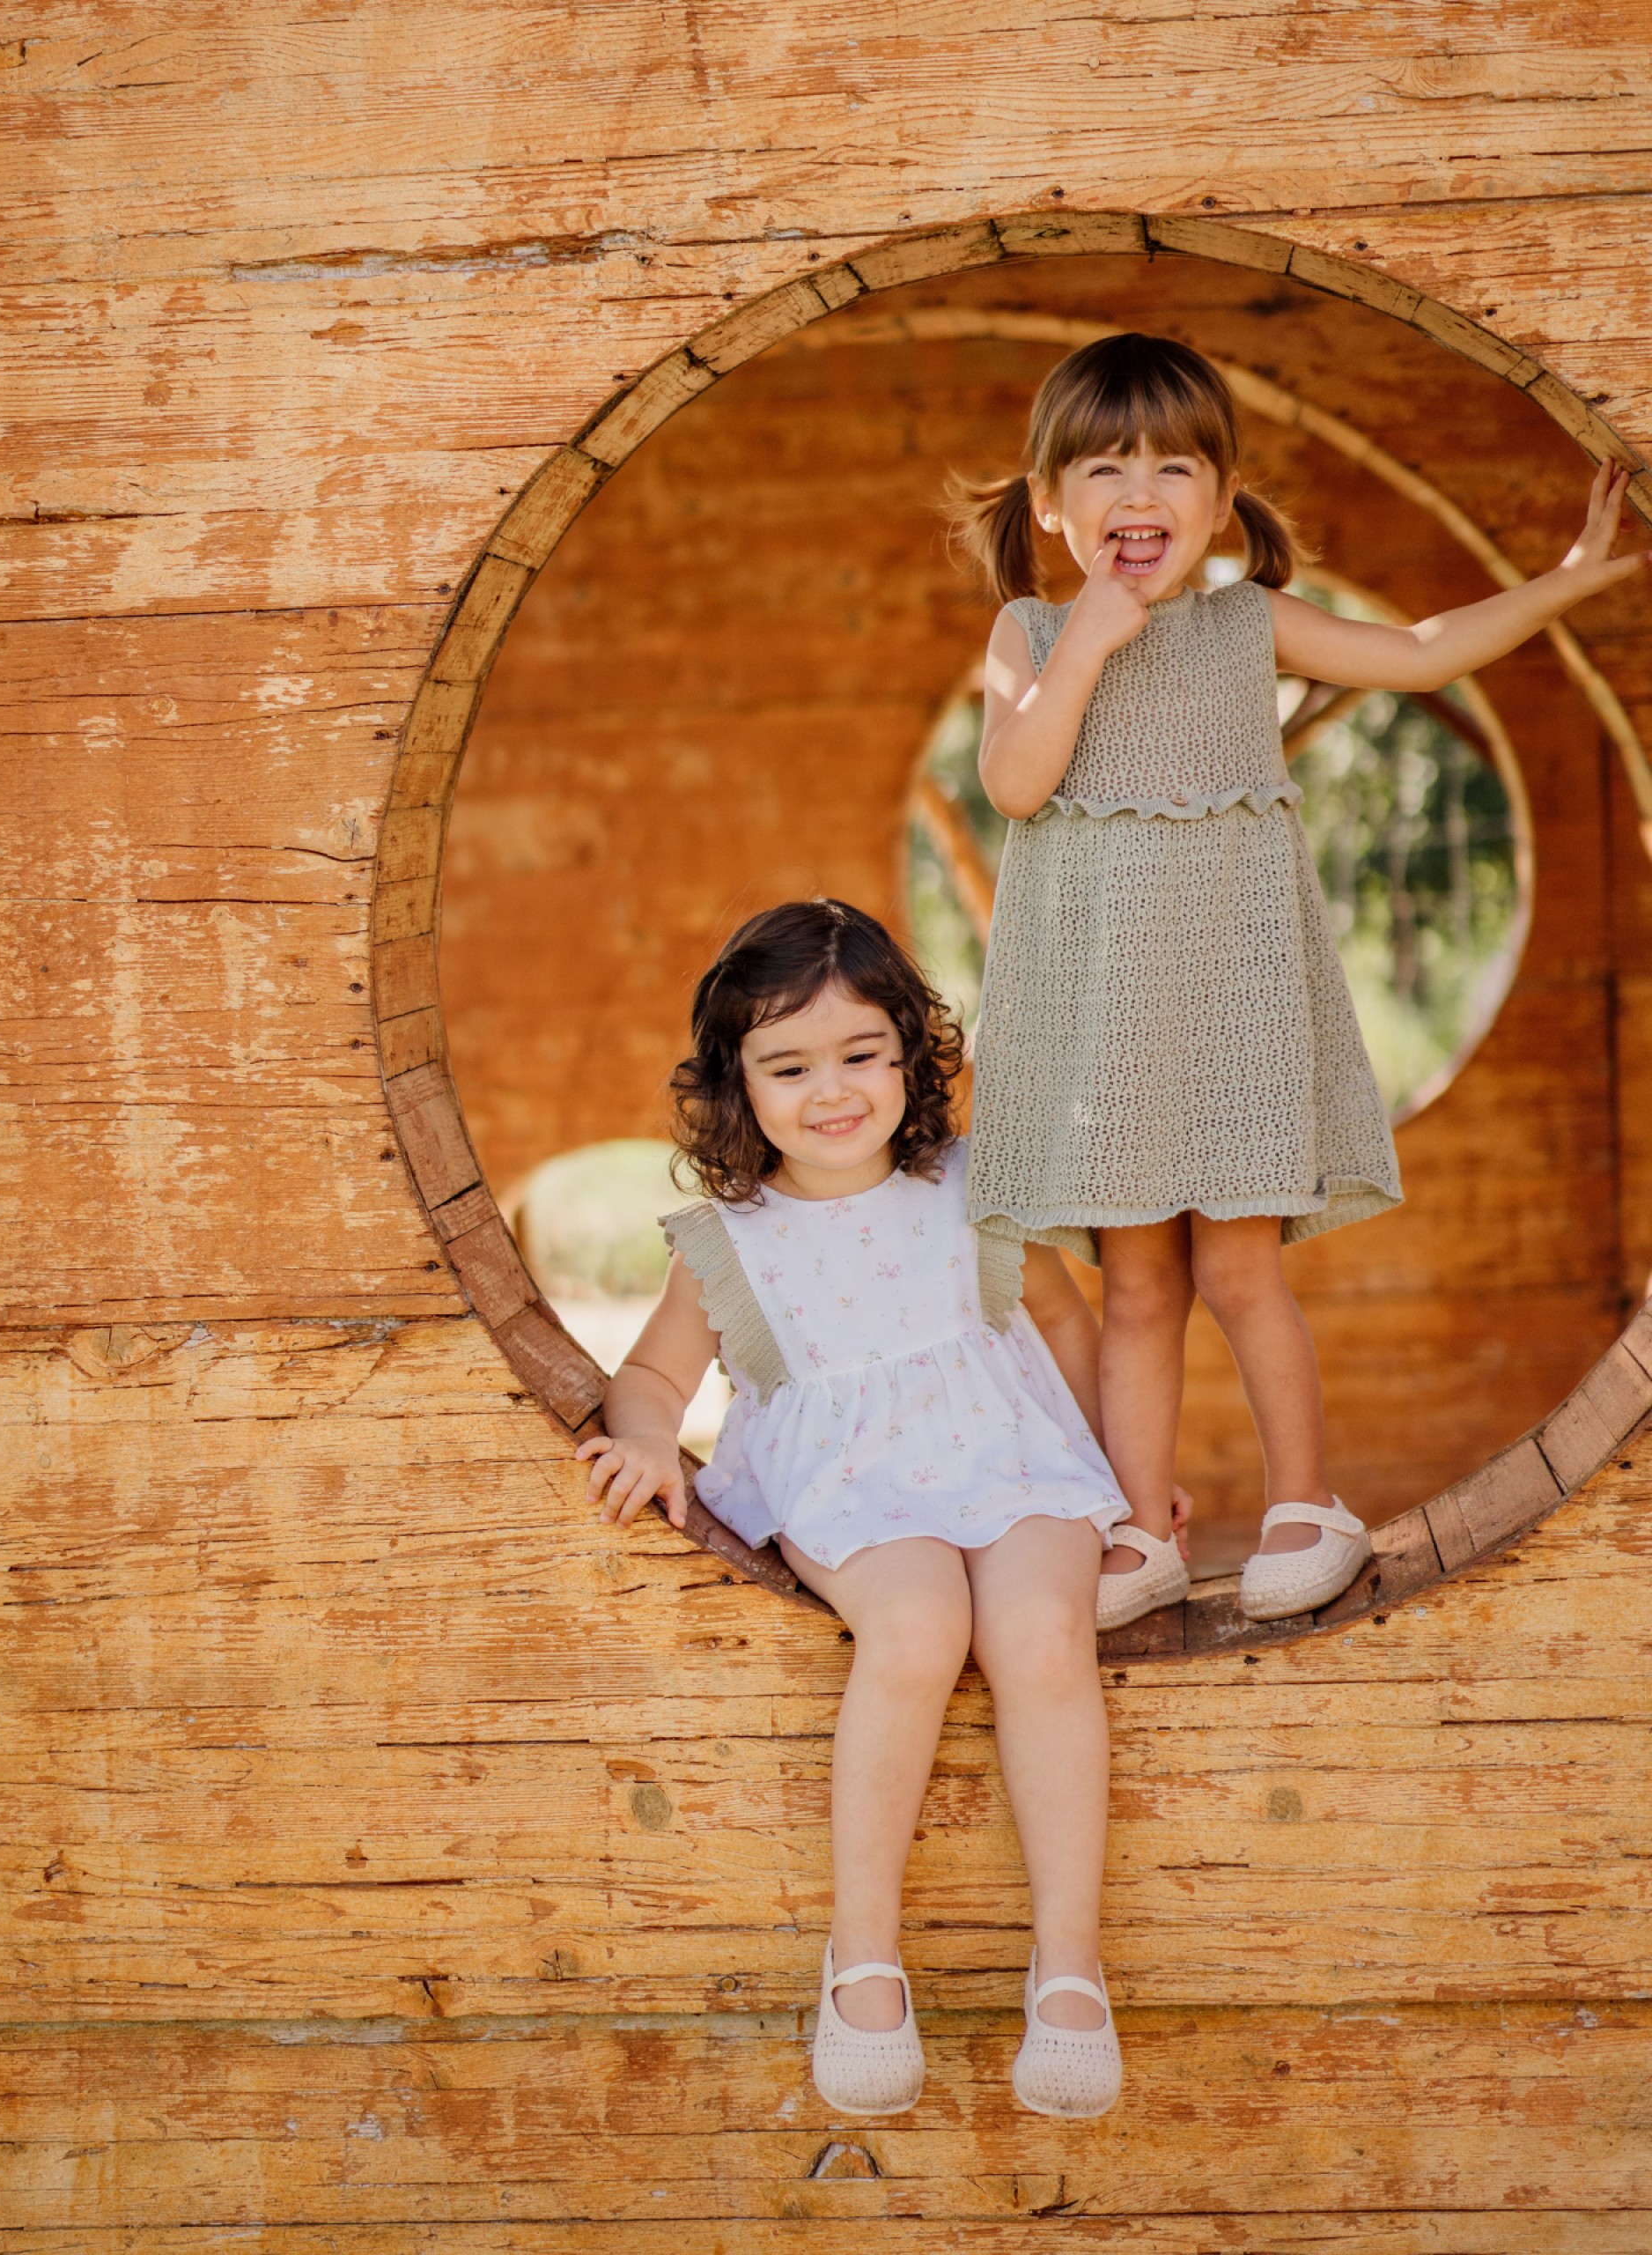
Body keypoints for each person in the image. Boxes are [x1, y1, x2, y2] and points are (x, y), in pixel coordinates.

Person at [955, 331, 1644, 1630]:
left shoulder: (1244, 625)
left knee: (1240, 1274)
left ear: (1220, 501)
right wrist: (1087, 645)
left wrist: (1563, 581)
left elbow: (1426, 651)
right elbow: (1012, 781)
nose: (1141, 495)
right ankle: (1139, 1524)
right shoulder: (1030, 632)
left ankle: (1305, 1505)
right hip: (1107, 1040)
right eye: (1105, 469)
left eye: (1175, 467)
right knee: (1139, 1288)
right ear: (1050, 504)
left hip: (1231, 1017)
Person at [577, 898, 1143, 2120]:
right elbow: (653, 1377)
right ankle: (866, 1958)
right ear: (737, 1082)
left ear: (909, 1054)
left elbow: (1059, 1318)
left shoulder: (967, 1186)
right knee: (920, 1628)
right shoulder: (735, 1239)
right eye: (788, 1067)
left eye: (860, 1056)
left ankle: (1069, 1964)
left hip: (1014, 1454)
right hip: (851, 1479)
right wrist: (643, 1441)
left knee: (1045, 1633)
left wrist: (1122, 1479)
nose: (830, 1092)